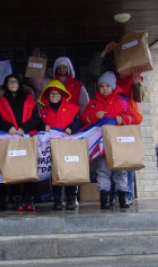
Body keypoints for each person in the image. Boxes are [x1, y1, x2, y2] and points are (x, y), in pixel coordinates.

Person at [82, 71, 137, 210]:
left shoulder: (122, 102)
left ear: (113, 87)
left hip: (118, 144)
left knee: (121, 170)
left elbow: (134, 118)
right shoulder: (93, 104)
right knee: (103, 170)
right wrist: (95, 116)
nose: (104, 88)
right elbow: (85, 120)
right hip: (101, 145)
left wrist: (123, 119)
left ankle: (123, 197)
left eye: (107, 86)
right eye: (102, 86)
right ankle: (104, 198)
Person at [0, 74, 42, 211]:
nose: (12, 84)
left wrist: (24, 128)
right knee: (13, 169)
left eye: (15, 82)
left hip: (26, 138)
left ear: (20, 84)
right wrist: (8, 127)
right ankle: (16, 199)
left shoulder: (30, 101)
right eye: (9, 82)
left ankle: (29, 198)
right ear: (6, 85)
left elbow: (37, 119)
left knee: (29, 168)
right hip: (10, 139)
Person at [38, 80, 83, 210]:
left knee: (70, 172)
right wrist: (43, 126)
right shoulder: (43, 112)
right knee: (55, 173)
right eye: (51, 94)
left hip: (69, 145)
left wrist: (71, 128)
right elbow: (38, 125)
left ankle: (71, 199)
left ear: (62, 94)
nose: (54, 96)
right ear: (47, 96)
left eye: (56, 94)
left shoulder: (73, 108)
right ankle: (57, 200)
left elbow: (79, 123)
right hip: (51, 146)